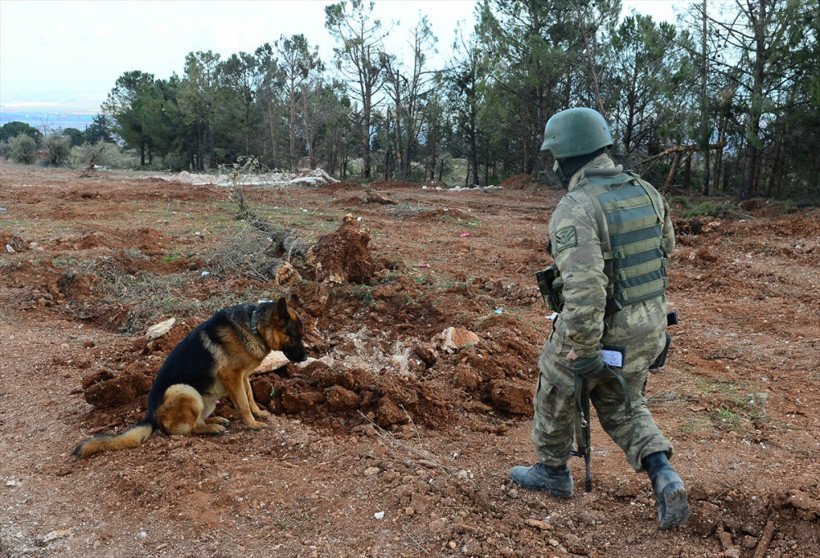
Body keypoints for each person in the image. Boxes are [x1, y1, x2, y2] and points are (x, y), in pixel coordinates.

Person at [510, 107, 690, 530]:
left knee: (555, 375)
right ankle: (664, 473)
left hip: (608, 331)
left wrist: (585, 350)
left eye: (555, 156)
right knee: (622, 402)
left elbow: (586, 291)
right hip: (650, 326)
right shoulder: (647, 192)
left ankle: (552, 472)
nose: (553, 165)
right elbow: (665, 252)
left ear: (569, 155)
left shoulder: (577, 206)